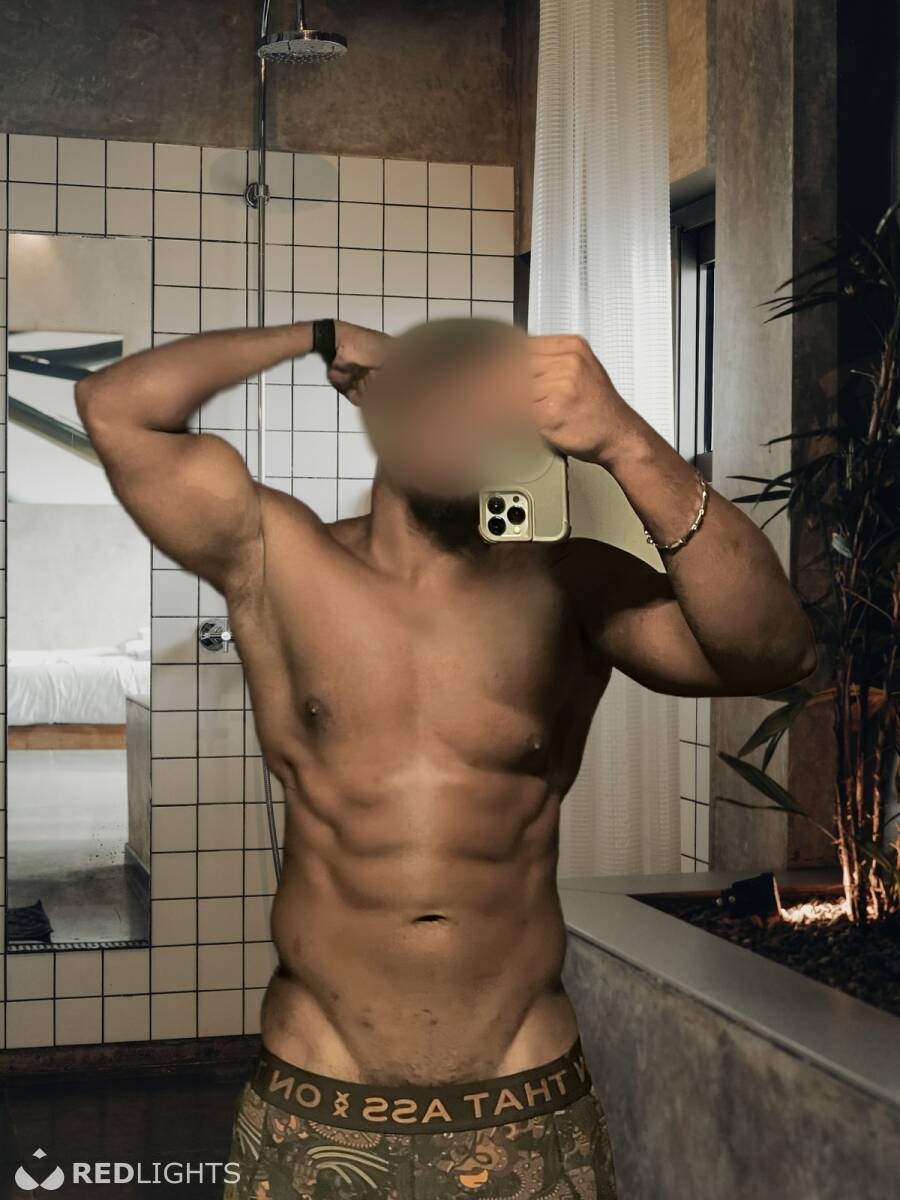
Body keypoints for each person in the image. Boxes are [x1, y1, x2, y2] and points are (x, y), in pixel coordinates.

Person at [74, 316, 816, 1200]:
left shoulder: (571, 581)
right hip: (318, 1095)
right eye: (434, 396)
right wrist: (316, 337)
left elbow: (774, 653)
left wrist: (626, 438)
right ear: (381, 402)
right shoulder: (277, 556)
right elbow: (115, 407)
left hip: (525, 1100)